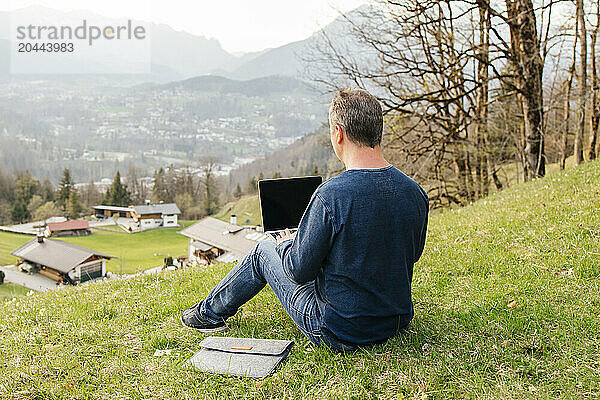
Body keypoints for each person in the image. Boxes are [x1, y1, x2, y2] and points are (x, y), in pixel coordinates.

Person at [181, 88, 429, 352]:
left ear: (338, 133)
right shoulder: (415, 192)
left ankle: (206, 315)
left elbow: (298, 272)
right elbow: (409, 255)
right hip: (396, 322)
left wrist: (289, 243)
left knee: (264, 251)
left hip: (338, 331)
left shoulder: (331, 196)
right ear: (377, 130)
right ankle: (207, 313)